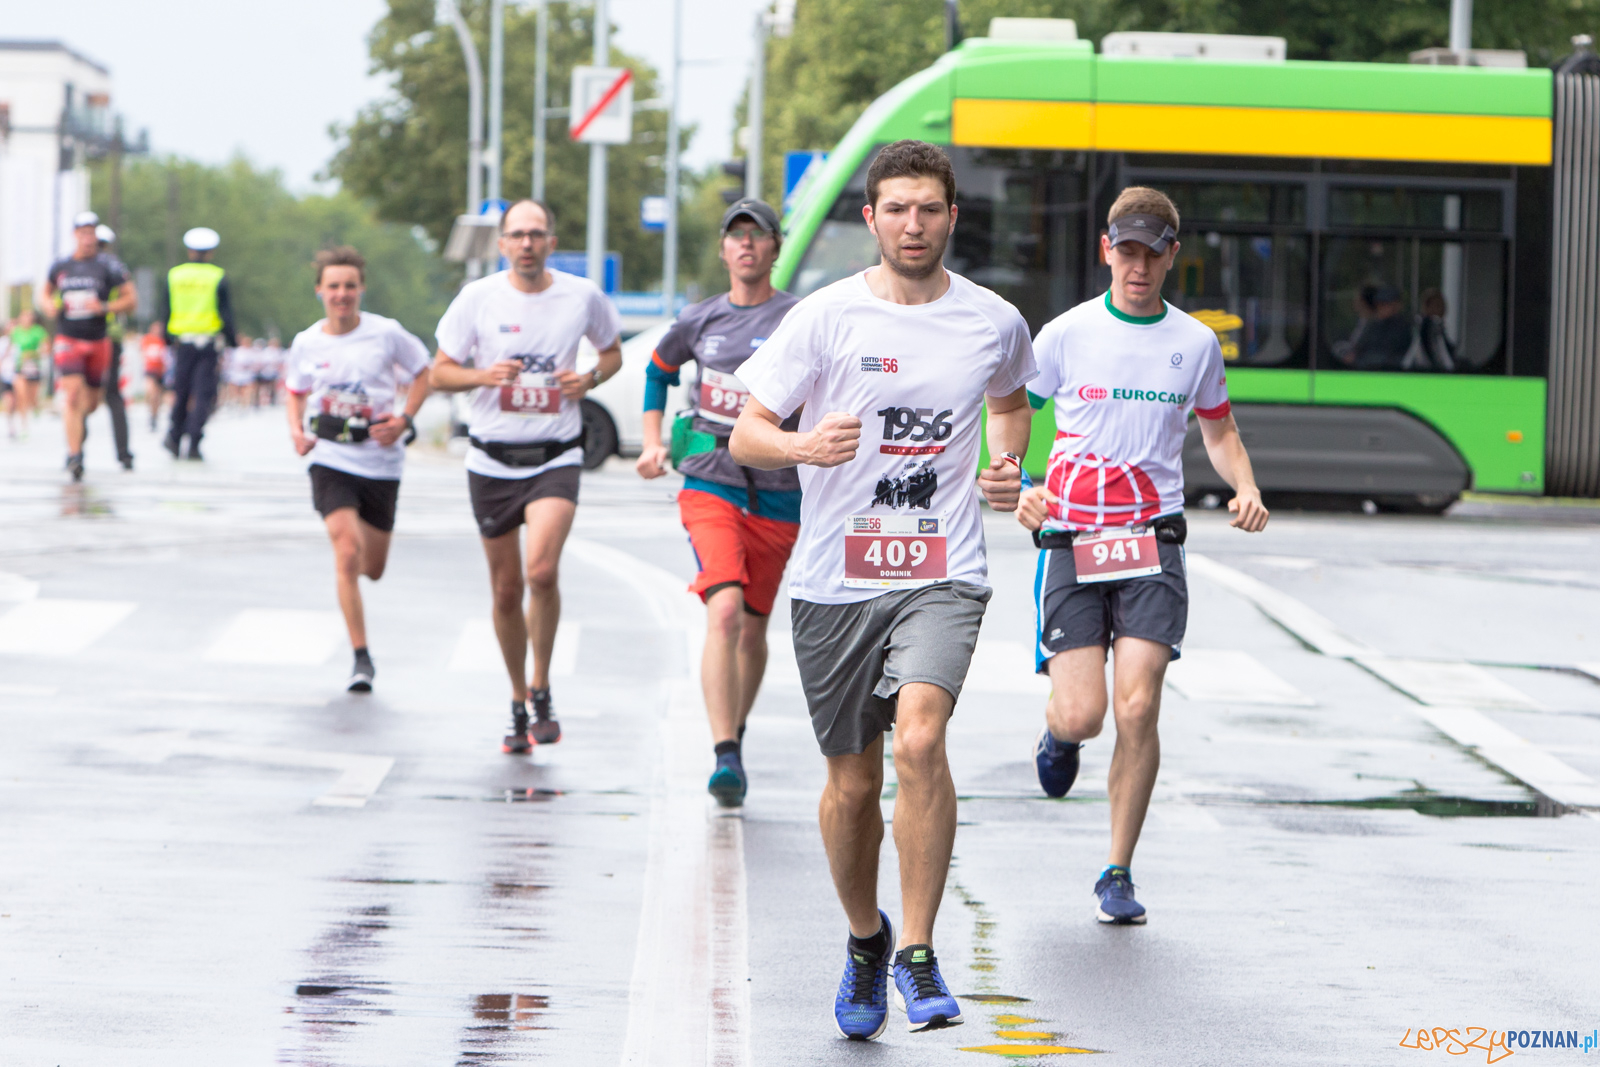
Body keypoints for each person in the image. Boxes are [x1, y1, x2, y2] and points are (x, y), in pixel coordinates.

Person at [729, 141, 1035, 1039]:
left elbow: (1013, 398)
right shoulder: (825, 319)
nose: (914, 224)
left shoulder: (991, 320)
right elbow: (747, 433)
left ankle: (920, 951)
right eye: (896, 209)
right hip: (834, 580)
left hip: (942, 570)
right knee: (852, 783)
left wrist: (1007, 461)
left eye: (929, 209)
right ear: (871, 219)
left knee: (921, 740)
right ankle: (867, 937)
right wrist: (800, 447)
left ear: (952, 217)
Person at [1017, 186, 1269, 928]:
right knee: (1087, 711)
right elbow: (1010, 417)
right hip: (1070, 538)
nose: (1138, 264)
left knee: (1137, 703)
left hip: (1152, 537)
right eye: (1126, 249)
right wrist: (1020, 482)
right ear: (1106, 250)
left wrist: (1246, 485)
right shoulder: (1064, 334)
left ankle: (1117, 867)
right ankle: (1058, 732)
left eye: (1152, 251)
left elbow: (1220, 431)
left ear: (1171, 257)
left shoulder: (1193, 344)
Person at [432, 199, 623, 754]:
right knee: (505, 588)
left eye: (537, 233)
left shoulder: (581, 295)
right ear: (502, 243)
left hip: (555, 454)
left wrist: (585, 380)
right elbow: (439, 372)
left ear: (551, 239)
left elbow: (612, 355)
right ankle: (518, 699)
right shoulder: (478, 299)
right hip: (491, 458)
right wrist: (481, 375)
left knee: (540, 571)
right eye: (517, 235)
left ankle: (542, 684)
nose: (527, 244)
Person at [636, 197, 801, 807]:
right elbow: (658, 368)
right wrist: (653, 441)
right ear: (724, 250)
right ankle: (723, 752)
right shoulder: (700, 319)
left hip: (781, 494)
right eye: (736, 236)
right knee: (724, 609)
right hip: (710, 482)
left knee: (754, 628)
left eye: (758, 236)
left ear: (775, 248)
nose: (747, 245)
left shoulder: (800, 318)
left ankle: (736, 726)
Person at [285, 247, 432, 692]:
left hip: (381, 461)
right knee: (346, 552)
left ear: (361, 289)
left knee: (373, 567)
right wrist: (296, 430)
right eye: (334, 286)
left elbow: (425, 371)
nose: (342, 294)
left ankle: (361, 636)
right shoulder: (307, 342)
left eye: (350, 286)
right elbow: (296, 391)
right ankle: (361, 657)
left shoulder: (386, 334)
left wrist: (404, 419)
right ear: (320, 291)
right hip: (331, 457)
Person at [42, 211, 137, 481]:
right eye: (82, 232)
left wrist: (104, 306)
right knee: (72, 396)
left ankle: (78, 440)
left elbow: (132, 300)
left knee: (91, 403)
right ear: (75, 235)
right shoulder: (61, 264)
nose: (88, 238)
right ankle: (75, 456)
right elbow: (45, 291)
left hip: (99, 339)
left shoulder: (109, 266)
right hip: (68, 337)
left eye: (91, 232)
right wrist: (49, 305)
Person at [160, 226, 238, 460]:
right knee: (204, 394)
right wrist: (233, 340)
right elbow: (226, 312)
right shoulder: (218, 276)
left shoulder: (175, 275)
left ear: (189, 250)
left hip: (182, 344)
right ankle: (194, 440)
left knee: (181, 391)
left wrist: (166, 338)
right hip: (208, 345)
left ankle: (174, 436)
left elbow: (166, 309)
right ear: (211, 252)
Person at [96, 224, 135, 470]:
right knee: (107, 396)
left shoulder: (114, 268)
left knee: (87, 396)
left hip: (104, 335)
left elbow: (130, 300)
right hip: (103, 335)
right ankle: (124, 454)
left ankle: (75, 454)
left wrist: (102, 308)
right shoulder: (117, 266)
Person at [8, 308, 47, 438]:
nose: (27, 319)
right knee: (21, 395)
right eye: (24, 316)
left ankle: (35, 406)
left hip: (34, 366)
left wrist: (34, 354)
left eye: (29, 316)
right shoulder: (16, 332)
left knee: (31, 398)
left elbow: (46, 348)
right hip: (20, 367)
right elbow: (10, 348)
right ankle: (24, 425)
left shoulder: (38, 331)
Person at [1415, 287, 1458, 372]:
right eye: (1436, 305)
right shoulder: (1428, 326)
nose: (1441, 309)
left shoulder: (1439, 327)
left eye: (1441, 305)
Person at [140, 325, 170, 432]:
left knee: (158, 396)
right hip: (150, 370)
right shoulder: (147, 339)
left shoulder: (164, 340)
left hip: (161, 371)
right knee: (152, 392)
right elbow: (142, 351)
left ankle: (154, 415)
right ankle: (151, 414)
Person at [256, 337, 283, 406]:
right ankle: (260, 401)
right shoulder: (266, 352)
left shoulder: (278, 352)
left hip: (273, 372)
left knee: (273, 387)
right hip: (265, 372)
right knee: (263, 387)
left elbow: (280, 363)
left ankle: (272, 400)